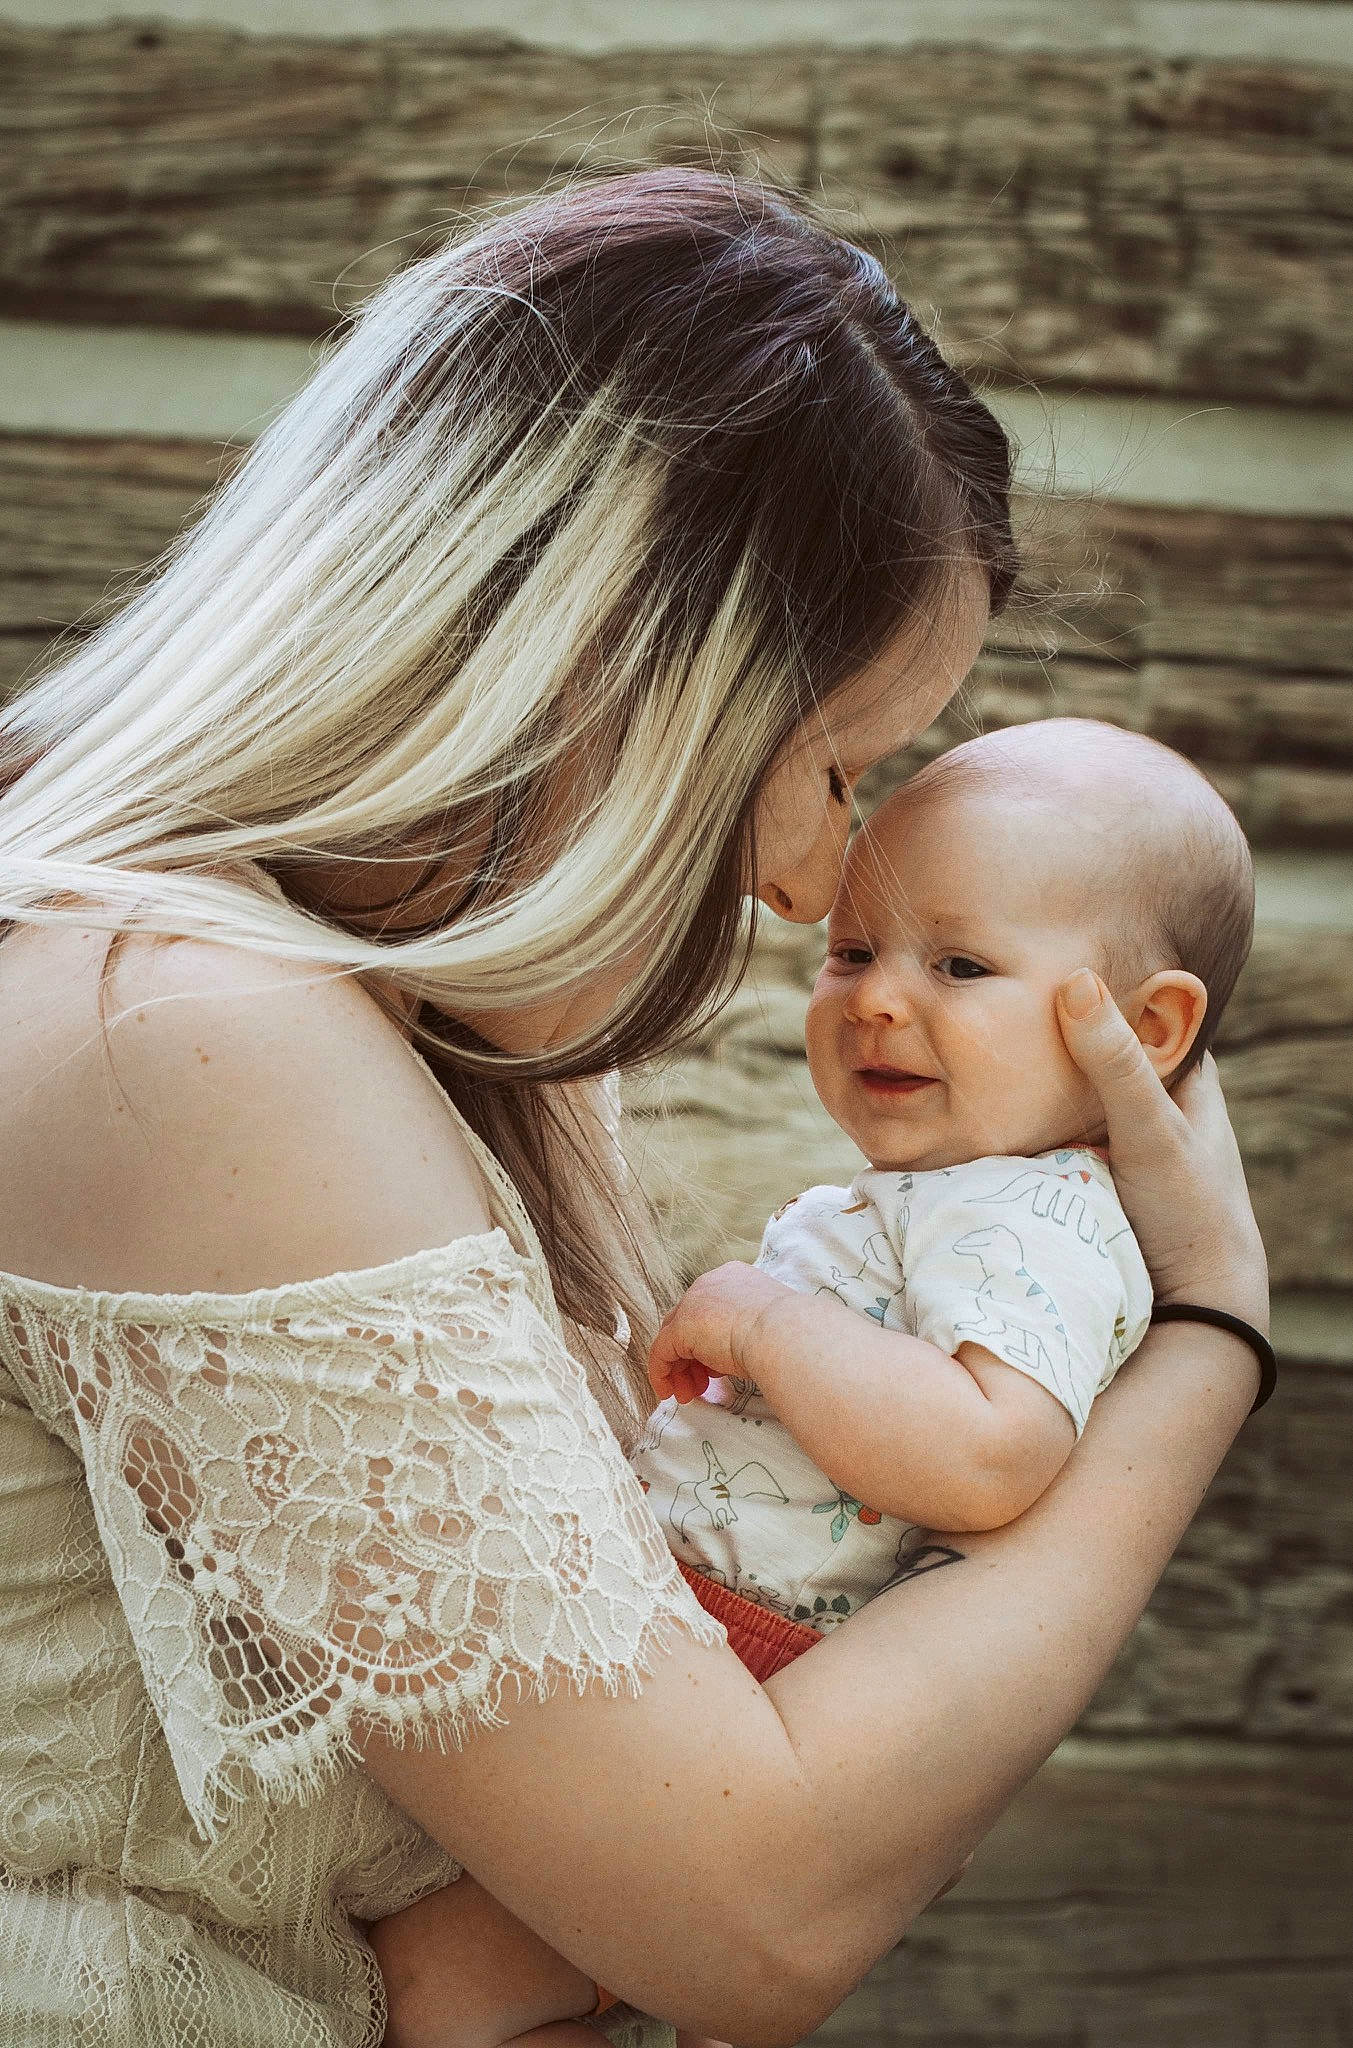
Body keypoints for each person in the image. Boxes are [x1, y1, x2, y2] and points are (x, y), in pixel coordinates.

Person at [0, 169, 1266, 2048]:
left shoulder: (379, 1015)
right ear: (616, 684)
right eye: (826, 764)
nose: (806, 880)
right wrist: (1206, 1333)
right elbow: (750, 1916)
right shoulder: (180, 1030)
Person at [359, 718, 1261, 2048]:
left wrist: (765, 1324)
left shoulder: (1037, 1218)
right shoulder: (954, 1199)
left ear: (1145, 1027)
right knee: (474, 1977)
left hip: (745, 1659)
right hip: (709, 1639)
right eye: (853, 952)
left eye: (958, 963)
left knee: (437, 1983)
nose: (879, 999)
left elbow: (989, 1449)